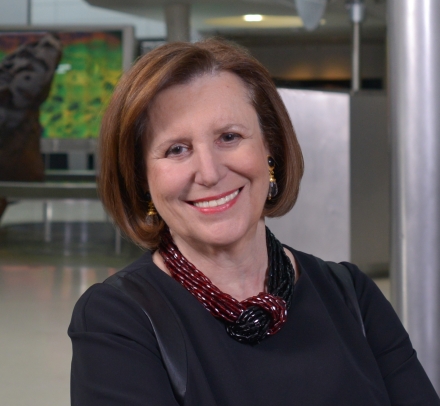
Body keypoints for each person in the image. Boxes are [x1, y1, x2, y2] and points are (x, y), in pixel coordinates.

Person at [68, 39, 440, 405]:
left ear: (270, 151)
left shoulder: (352, 296)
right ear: (142, 179)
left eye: (229, 137)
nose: (210, 173)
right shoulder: (117, 321)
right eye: (176, 149)